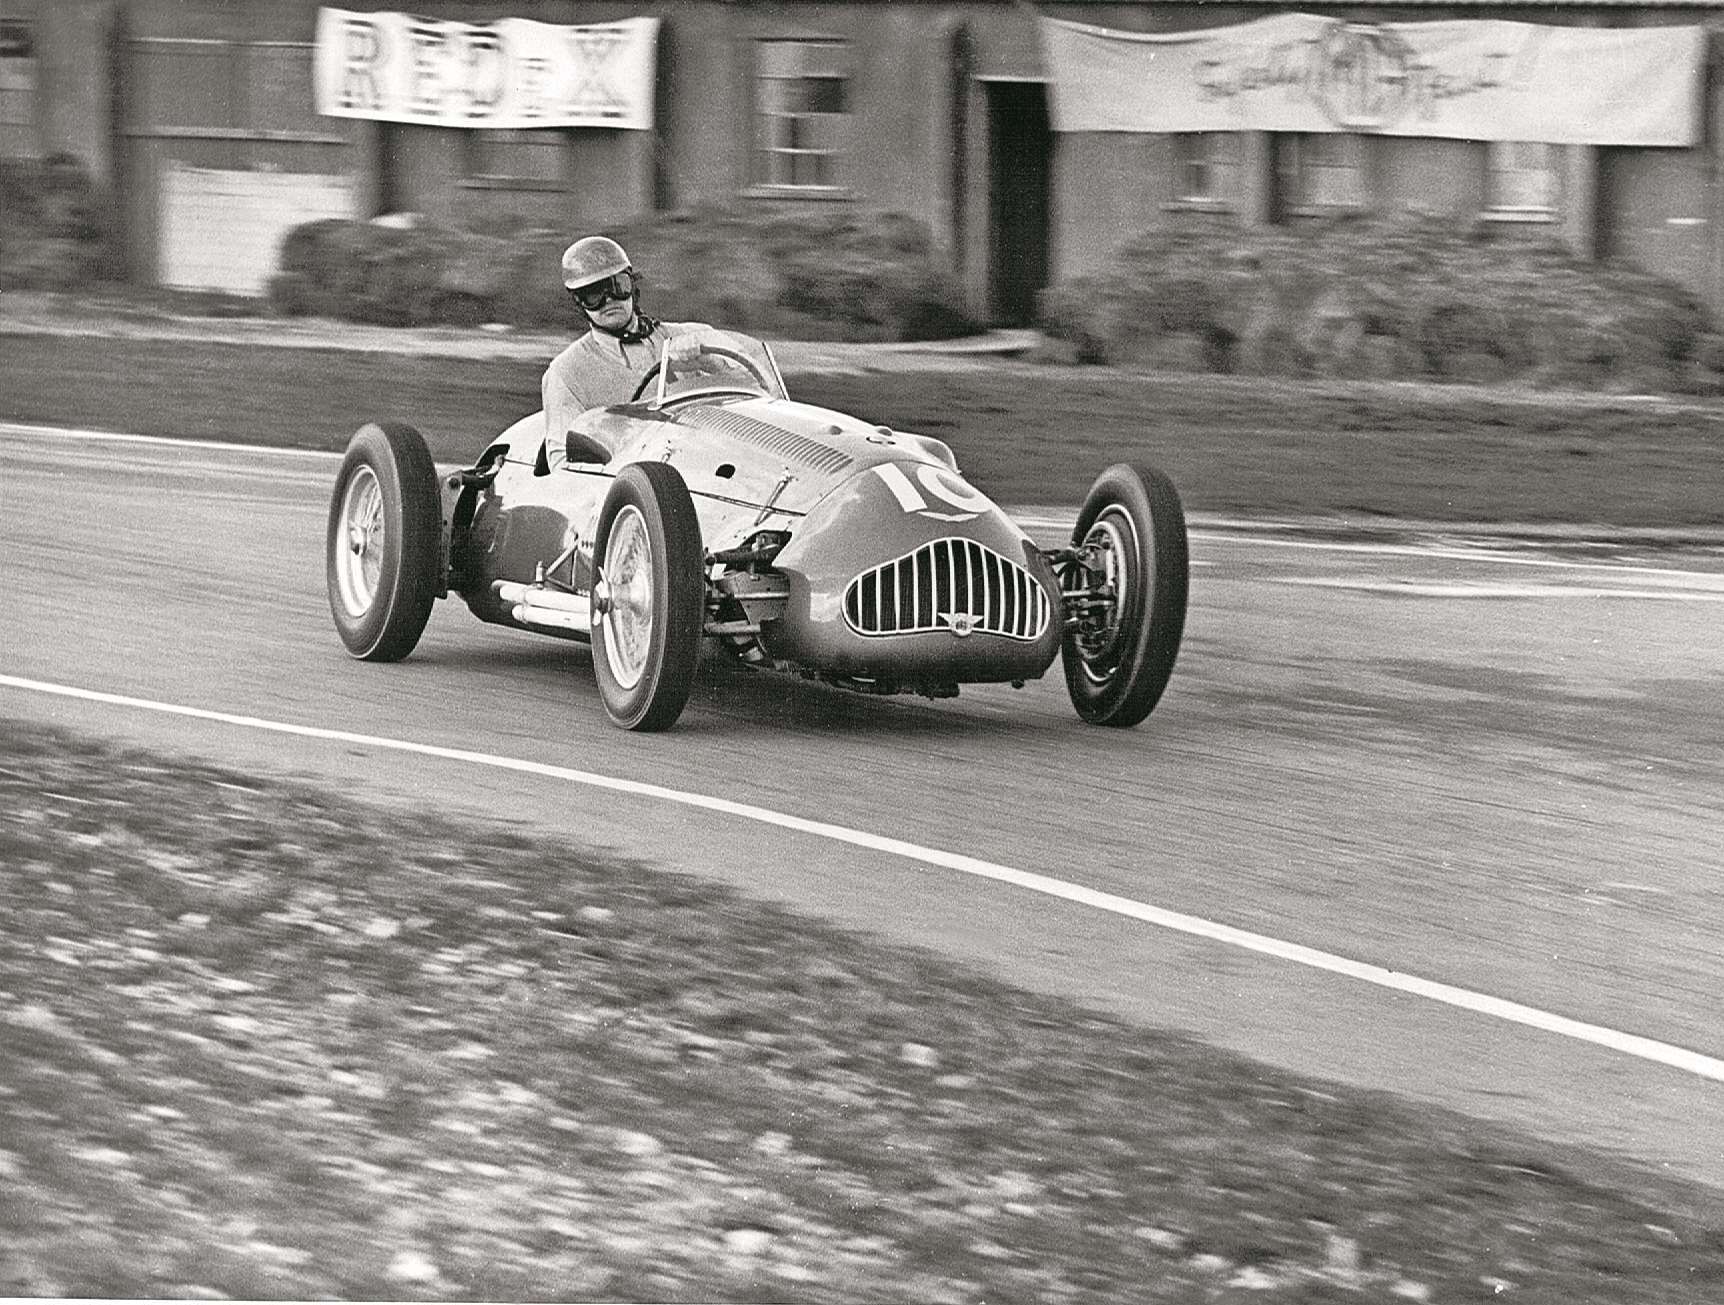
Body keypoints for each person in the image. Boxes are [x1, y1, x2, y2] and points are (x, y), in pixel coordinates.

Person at [541, 235, 724, 443]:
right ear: (579, 302)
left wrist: (710, 362)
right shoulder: (565, 372)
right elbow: (562, 460)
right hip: (632, 471)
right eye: (594, 294)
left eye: (618, 286)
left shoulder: (691, 335)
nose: (609, 299)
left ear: (633, 288)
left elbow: (758, 391)